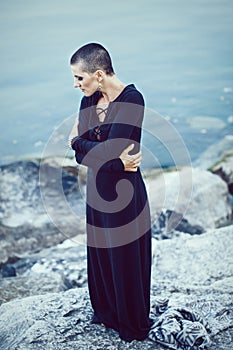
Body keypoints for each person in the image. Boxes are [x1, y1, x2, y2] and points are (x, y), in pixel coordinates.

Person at [69, 43, 153, 342]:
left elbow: (109, 150)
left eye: (80, 78)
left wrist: (78, 142)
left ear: (99, 74)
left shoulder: (133, 99)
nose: (76, 85)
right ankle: (107, 314)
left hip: (126, 195)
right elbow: (92, 158)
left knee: (126, 259)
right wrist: (93, 151)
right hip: (97, 192)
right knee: (102, 255)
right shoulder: (89, 101)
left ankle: (131, 324)